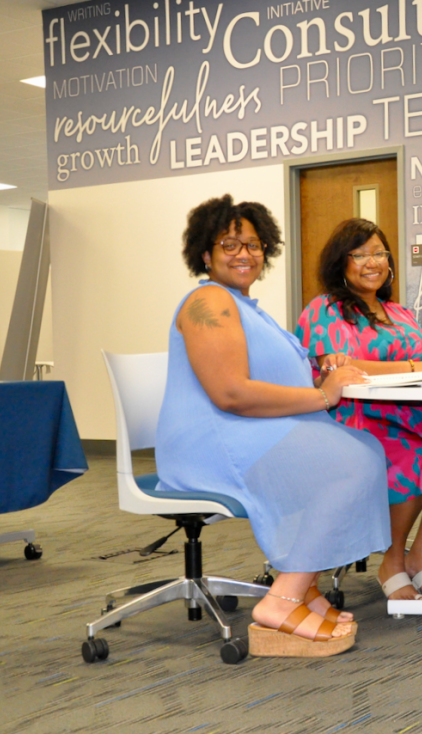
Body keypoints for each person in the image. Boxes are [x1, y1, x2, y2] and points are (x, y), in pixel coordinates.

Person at [155, 195, 391, 658]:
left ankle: (302, 588)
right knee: (354, 460)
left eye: (254, 244)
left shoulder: (244, 306)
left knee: (355, 447)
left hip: (246, 431)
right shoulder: (209, 301)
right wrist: (324, 395)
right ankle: (282, 601)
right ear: (205, 253)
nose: (244, 253)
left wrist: (322, 371)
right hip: (216, 439)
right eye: (229, 244)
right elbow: (232, 394)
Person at [297, 218, 422, 602]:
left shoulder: (400, 313)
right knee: (414, 455)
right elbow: (341, 365)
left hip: (410, 410)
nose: (373, 262)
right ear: (341, 263)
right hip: (353, 418)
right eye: (361, 254)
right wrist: (413, 368)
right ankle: (392, 560)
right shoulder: (326, 309)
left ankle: (419, 558)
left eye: (379, 253)